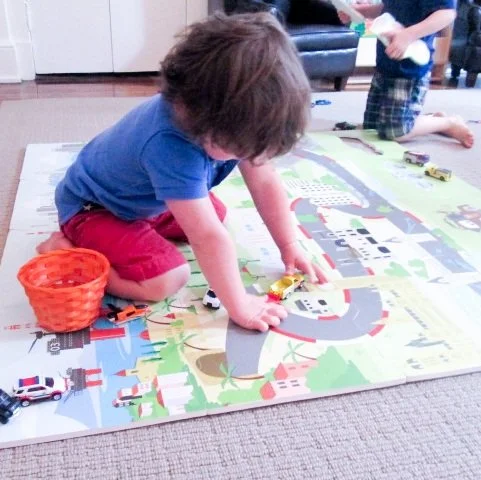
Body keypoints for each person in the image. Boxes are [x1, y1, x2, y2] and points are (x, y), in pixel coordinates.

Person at [37, 12, 326, 333]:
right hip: (94, 210)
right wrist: (240, 305)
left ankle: (137, 234)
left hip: (143, 200)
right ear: (202, 119)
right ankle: (71, 252)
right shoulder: (169, 145)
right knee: (167, 278)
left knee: (215, 212)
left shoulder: (225, 119)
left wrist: (288, 246)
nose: (246, 157)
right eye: (238, 150)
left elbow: (265, 180)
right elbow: (207, 239)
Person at [338, 0, 474, 148]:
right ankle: (426, 119)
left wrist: (408, 34)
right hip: (385, 64)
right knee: (372, 128)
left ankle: (447, 123)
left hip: (409, 69)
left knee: (395, 132)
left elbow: (446, 14)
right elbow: (389, 8)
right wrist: (362, 11)